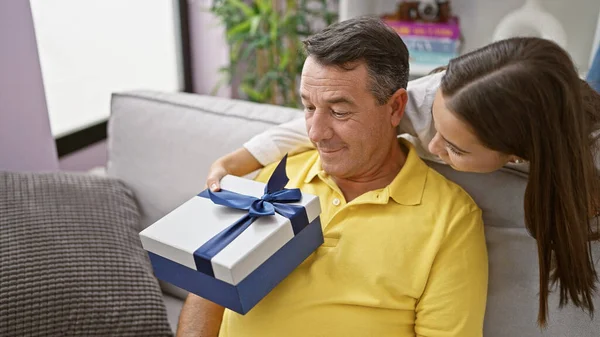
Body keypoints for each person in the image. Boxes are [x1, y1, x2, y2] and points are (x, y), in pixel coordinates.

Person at [205, 32, 600, 327]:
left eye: (455, 150)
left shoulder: (570, 159)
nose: (431, 143)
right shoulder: (429, 102)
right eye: (436, 129)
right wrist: (235, 161)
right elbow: (320, 118)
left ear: (513, 156)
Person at [177, 16, 488, 337]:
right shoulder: (276, 176)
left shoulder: (450, 219)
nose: (316, 133)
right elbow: (208, 289)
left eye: (339, 111)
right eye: (309, 107)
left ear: (395, 108)